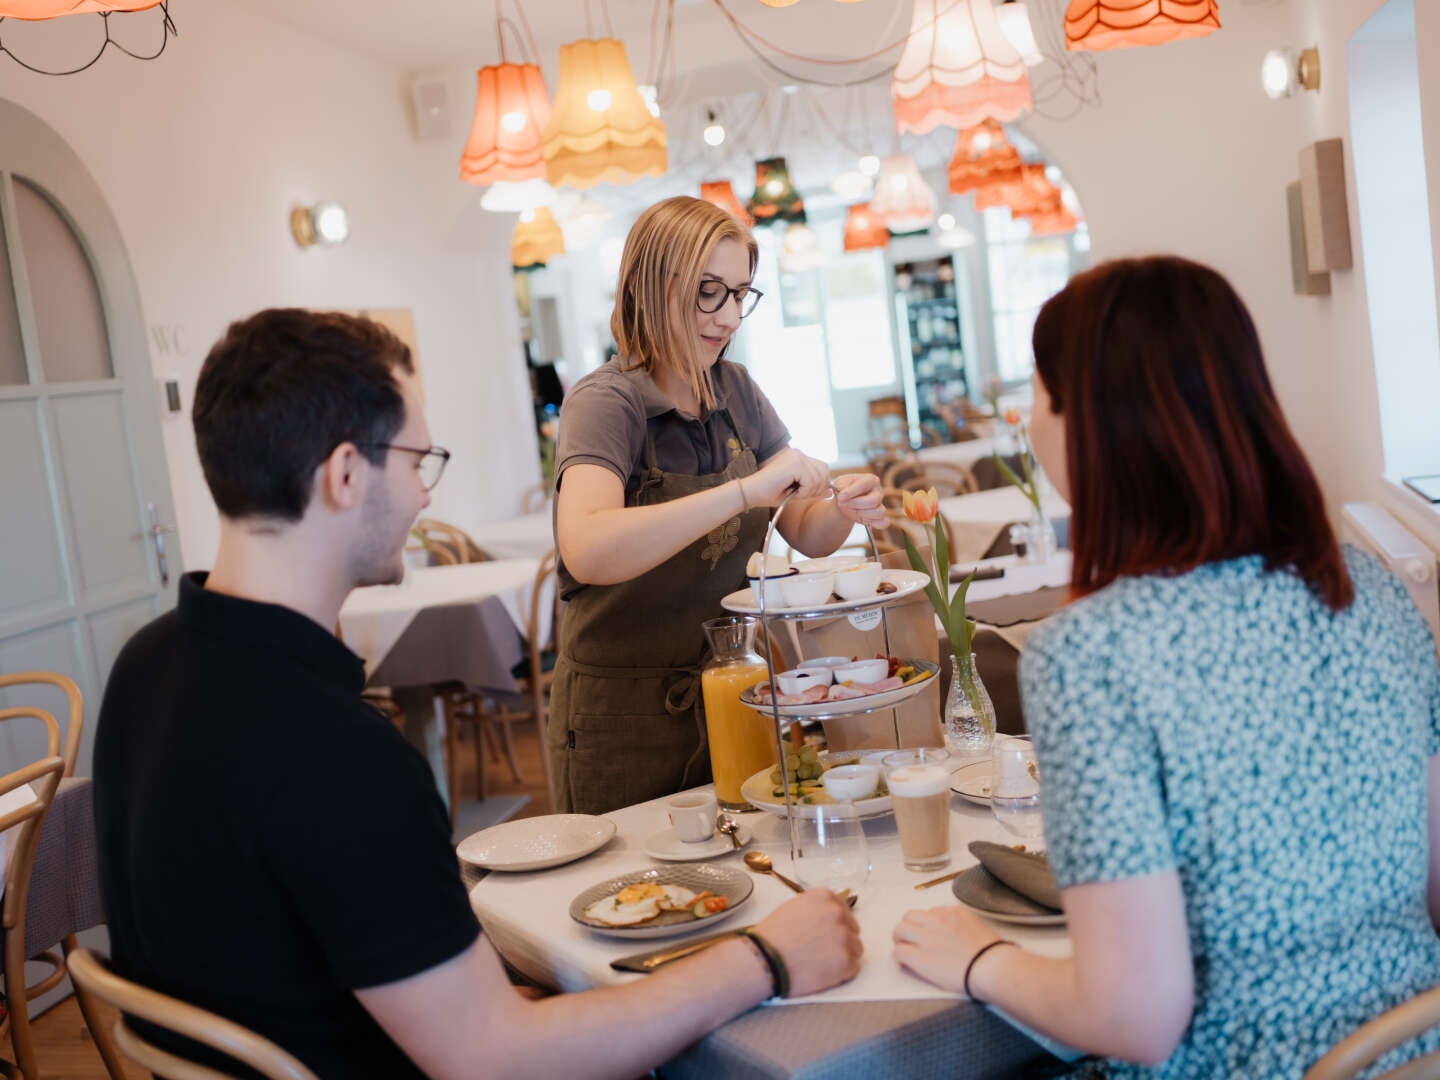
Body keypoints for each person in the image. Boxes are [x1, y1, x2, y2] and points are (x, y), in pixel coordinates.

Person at [94, 309, 862, 1079]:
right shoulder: (334, 751)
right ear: (345, 475)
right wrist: (764, 958)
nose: (425, 500)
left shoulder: (147, 666)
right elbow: (495, 1060)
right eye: (417, 463)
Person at [893, 257, 1440, 1077]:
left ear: (1086, 422)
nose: (1030, 422)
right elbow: (1432, 891)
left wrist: (978, 958)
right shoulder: (1372, 591)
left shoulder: (1091, 654)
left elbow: (1134, 1018)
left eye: (1039, 397)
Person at [551, 196, 886, 814]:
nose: (729, 316)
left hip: (731, 684)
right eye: (710, 292)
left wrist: (843, 507)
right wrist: (741, 492)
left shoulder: (736, 390)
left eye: (740, 294)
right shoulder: (606, 404)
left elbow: (805, 529)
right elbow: (590, 547)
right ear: (651, 287)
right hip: (621, 716)